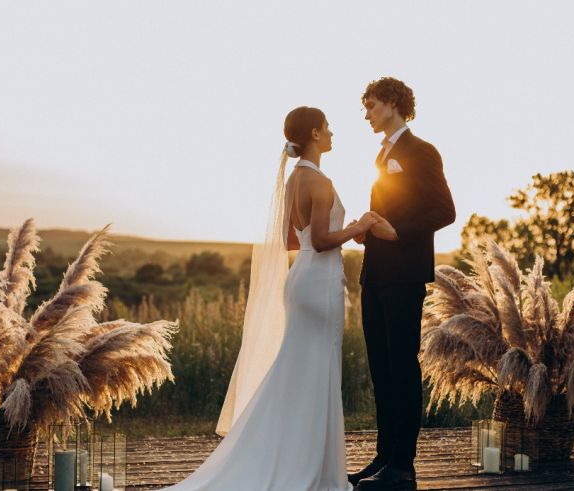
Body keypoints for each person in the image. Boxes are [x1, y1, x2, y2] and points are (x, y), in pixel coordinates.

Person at [161, 106, 376, 491]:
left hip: (300, 280)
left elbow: (292, 239)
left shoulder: (294, 180)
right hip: (320, 283)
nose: (331, 134)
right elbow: (324, 241)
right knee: (316, 374)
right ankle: (313, 469)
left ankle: (284, 455)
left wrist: (331, 235)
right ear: (313, 133)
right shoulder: (321, 182)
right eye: (327, 128)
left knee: (295, 371)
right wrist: (358, 227)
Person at [348, 77, 456, 491]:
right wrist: (368, 226)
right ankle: (383, 457)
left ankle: (403, 468)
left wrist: (399, 232)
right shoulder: (383, 155)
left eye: (372, 106)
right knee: (381, 369)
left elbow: (444, 210)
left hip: (404, 275)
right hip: (374, 275)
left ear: (393, 104)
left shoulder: (422, 151)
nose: (368, 115)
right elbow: (390, 207)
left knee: (402, 370)